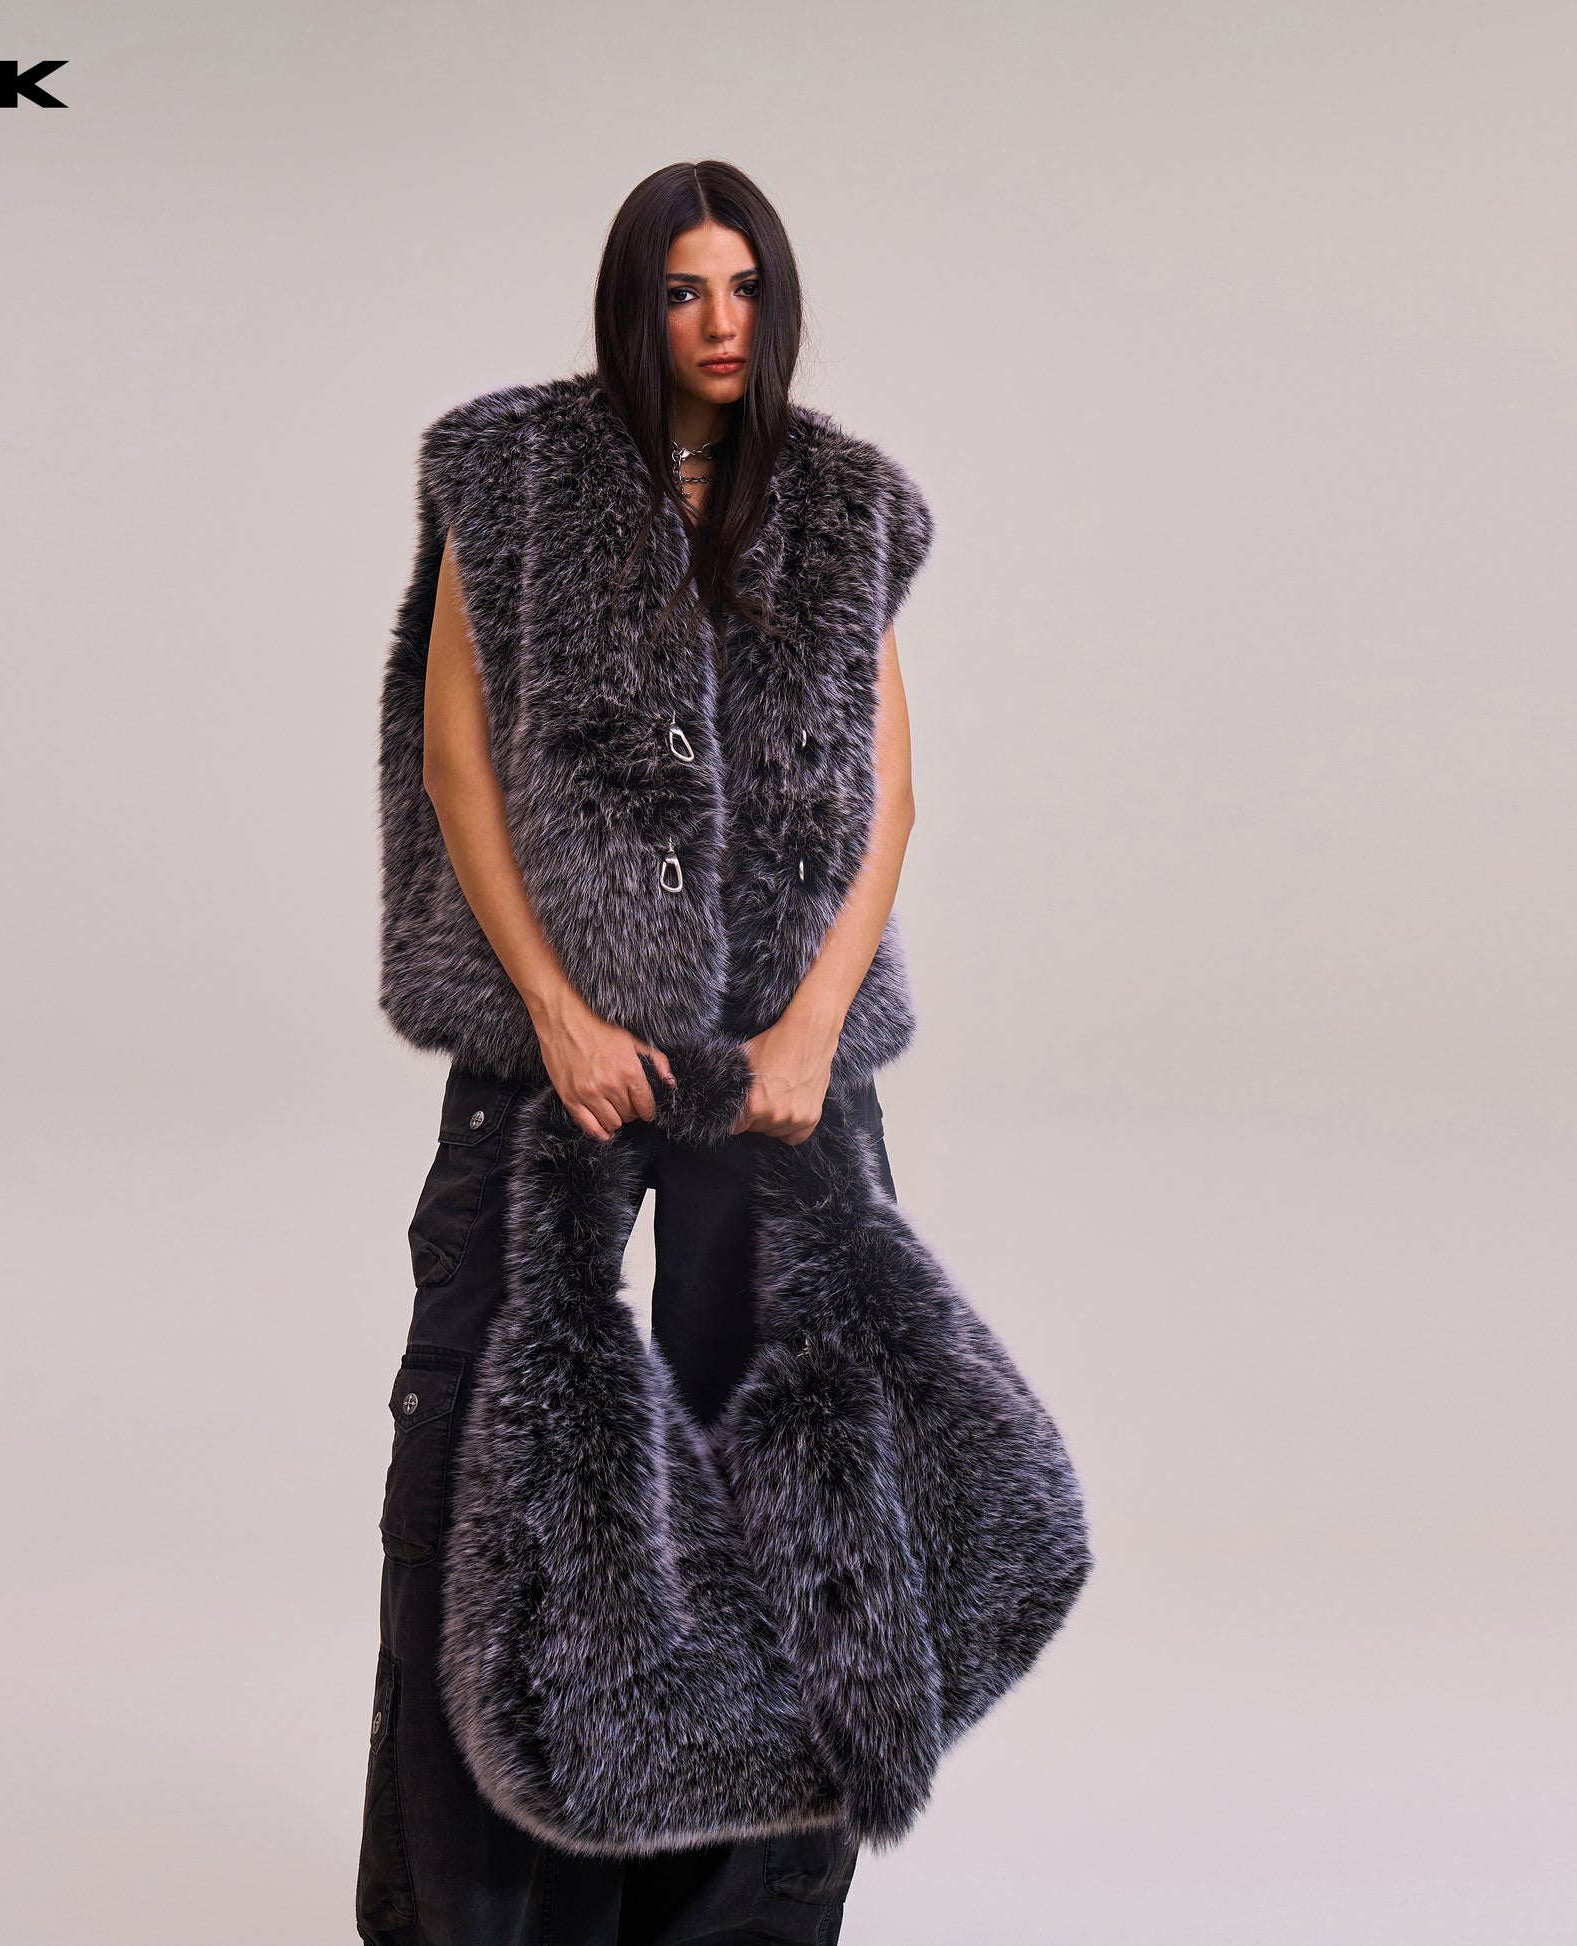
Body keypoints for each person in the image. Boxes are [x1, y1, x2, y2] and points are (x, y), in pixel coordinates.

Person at [358, 159, 992, 1946]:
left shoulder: (843, 500)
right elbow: (457, 758)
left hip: (777, 1048)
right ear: (630, 303)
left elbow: (888, 795)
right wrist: (559, 1012)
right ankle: (482, 1913)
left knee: (791, 1458)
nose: (720, 323)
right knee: (483, 1455)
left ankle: (738, 1918)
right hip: (551, 1035)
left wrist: (810, 1030)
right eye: (683, 290)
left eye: (746, 288)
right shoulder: (513, 473)